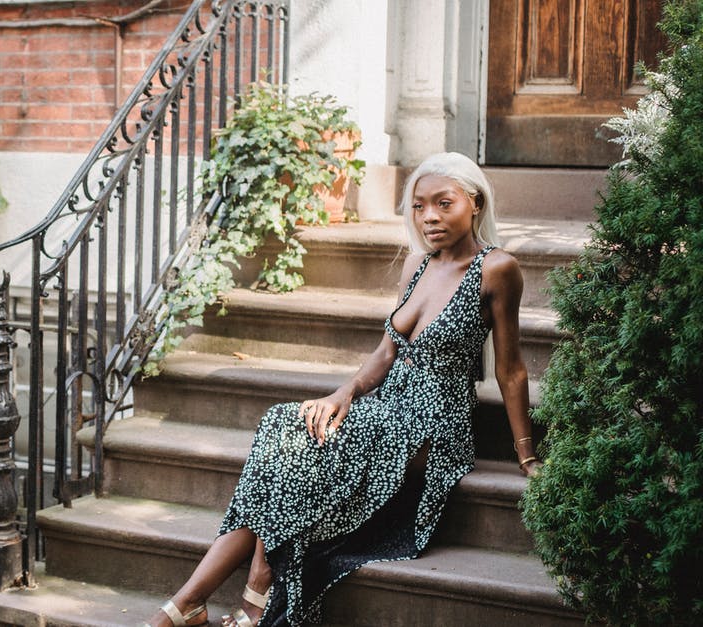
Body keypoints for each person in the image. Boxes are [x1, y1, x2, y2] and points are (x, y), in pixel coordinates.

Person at [145, 152, 540, 626]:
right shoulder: (417, 263)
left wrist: (526, 454)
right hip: (384, 406)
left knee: (295, 445)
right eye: (418, 206)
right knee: (285, 423)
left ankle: (228, 594)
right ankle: (201, 599)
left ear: (474, 203)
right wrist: (343, 394)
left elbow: (511, 369)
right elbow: (386, 352)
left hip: (435, 423)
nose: (429, 216)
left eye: (443, 203)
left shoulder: (498, 269)